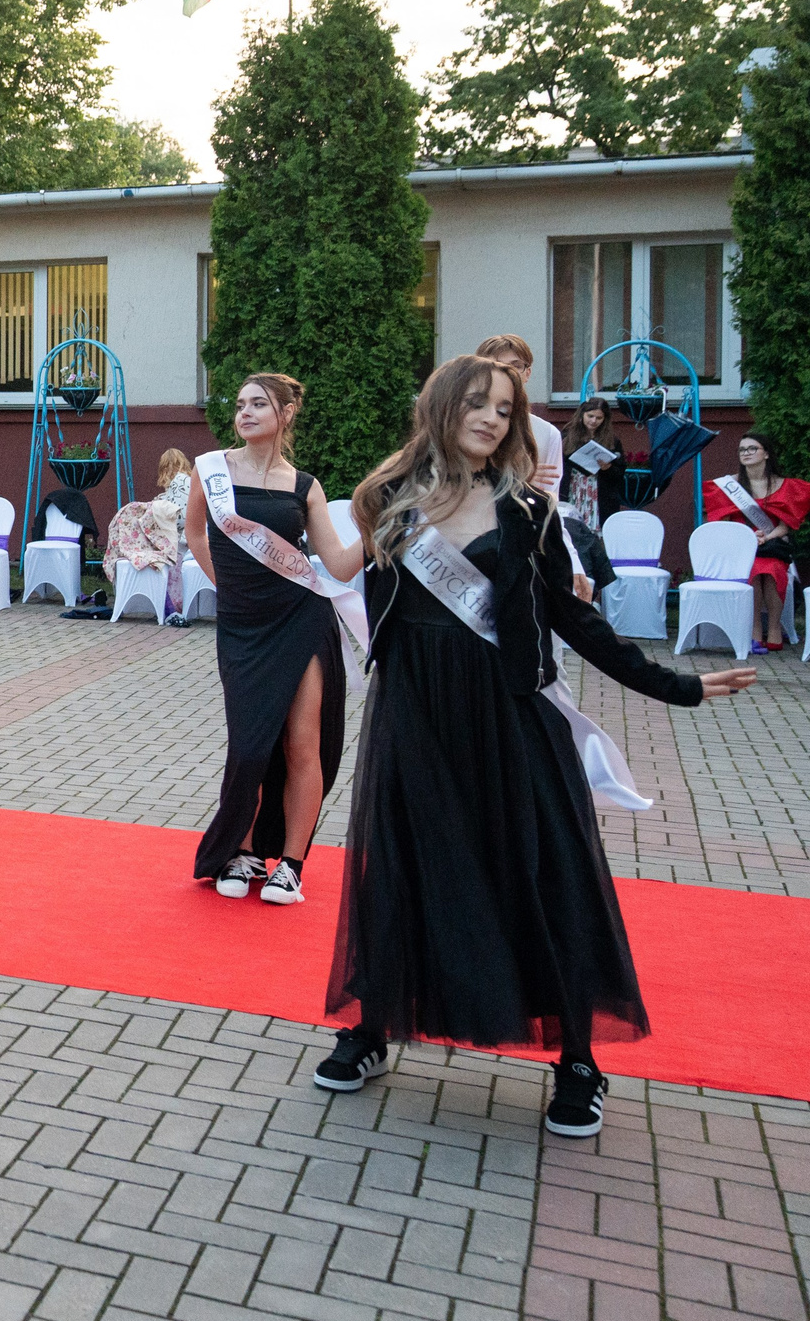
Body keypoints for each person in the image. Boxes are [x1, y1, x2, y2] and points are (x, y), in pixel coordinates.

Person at [317, 354, 754, 1136]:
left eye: (505, 409)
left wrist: (677, 685)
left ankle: (579, 1060)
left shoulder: (528, 510)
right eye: (478, 403)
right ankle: (373, 1027)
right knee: (407, 863)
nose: (491, 418)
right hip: (414, 714)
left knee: (543, 873)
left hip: (507, 715)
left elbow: (574, 620)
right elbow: (369, 595)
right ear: (443, 405)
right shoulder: (388, 498)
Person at [184, 373, 363, 905]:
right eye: (240, 404)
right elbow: (195, 531)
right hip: (243, 625)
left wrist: (382, 531)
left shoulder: (305, 485)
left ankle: (290, 862)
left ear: (286, 414)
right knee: (249, 743)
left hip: (301, 619)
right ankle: (239, 850)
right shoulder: (211, 469)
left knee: (301, 741)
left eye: (258, 404)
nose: (245, 412)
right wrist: (227, 583)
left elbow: (336, 563)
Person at [476, 336, 593, 602]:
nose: (506, 372)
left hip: (525, 557)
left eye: (515, 365)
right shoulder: (467, 425)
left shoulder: (546, 433)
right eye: (495, 364)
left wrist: (572, 561)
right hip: (474, 554)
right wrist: (517, 482)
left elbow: (550, 506)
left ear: (527, 373)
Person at [702, 433, 806, 654]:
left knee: (772, 569)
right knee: (755, 568)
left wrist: (765, 537)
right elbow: (724, 522)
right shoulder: (728, 485)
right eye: (742, 450)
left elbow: (785, 526)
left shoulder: (785, 485)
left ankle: (775, 626)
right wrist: (748, 537)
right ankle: (755, 628)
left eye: (752, 448)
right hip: (740, 547)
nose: (746, 453)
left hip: (772, 544)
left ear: (766, 453)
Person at [106, 448, 195, 626]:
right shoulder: (190, 485)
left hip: (180, 547)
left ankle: (163, 607)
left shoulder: (179, 488)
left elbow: (177, 523)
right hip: (188, 546)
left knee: (145, 556)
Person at [559, 397, 627, 531]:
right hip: (573, 488)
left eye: (599, 418)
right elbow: (559, 462)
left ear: (605, 419)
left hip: (599, 493)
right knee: (570, 529)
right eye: (590, 416)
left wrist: (608, 468)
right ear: (582, 414)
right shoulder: (567, 435)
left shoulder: (612, 440)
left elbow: (619, 473)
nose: (594, 421)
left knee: (596, 532)